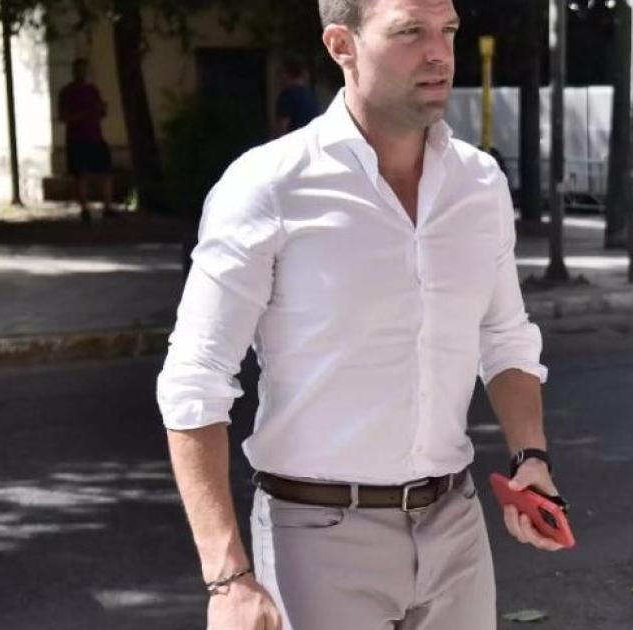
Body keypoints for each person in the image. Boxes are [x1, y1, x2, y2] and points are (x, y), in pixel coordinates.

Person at [156, 0, 568, 628]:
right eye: (410, 32)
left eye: (447, 31)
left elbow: (505, 337)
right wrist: (228, 577)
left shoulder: (480, 184)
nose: (439, 54)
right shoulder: (268, 186)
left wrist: (529, 457)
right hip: (316, 536)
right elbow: (194, 378)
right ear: (341, 45)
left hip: (455, 525)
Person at [58, 58, 114, 223]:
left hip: (95, 136)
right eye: (79, 70)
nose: (82, 73)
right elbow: (63, 117)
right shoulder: (67, 92)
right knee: (80, 175)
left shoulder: (92, 90)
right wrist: (83, 113)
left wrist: (102, 110)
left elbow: (100, 113)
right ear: (74, 72)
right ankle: (84, 209)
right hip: (77, 139)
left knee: (106, 171)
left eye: (84, 70)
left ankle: (108, 207)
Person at [272, 57, 321, 137]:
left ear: (286, 74)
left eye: (280, 73)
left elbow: (282, 128)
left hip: (293, 140)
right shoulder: (310, 95)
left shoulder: (287, 96)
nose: (279, 78)